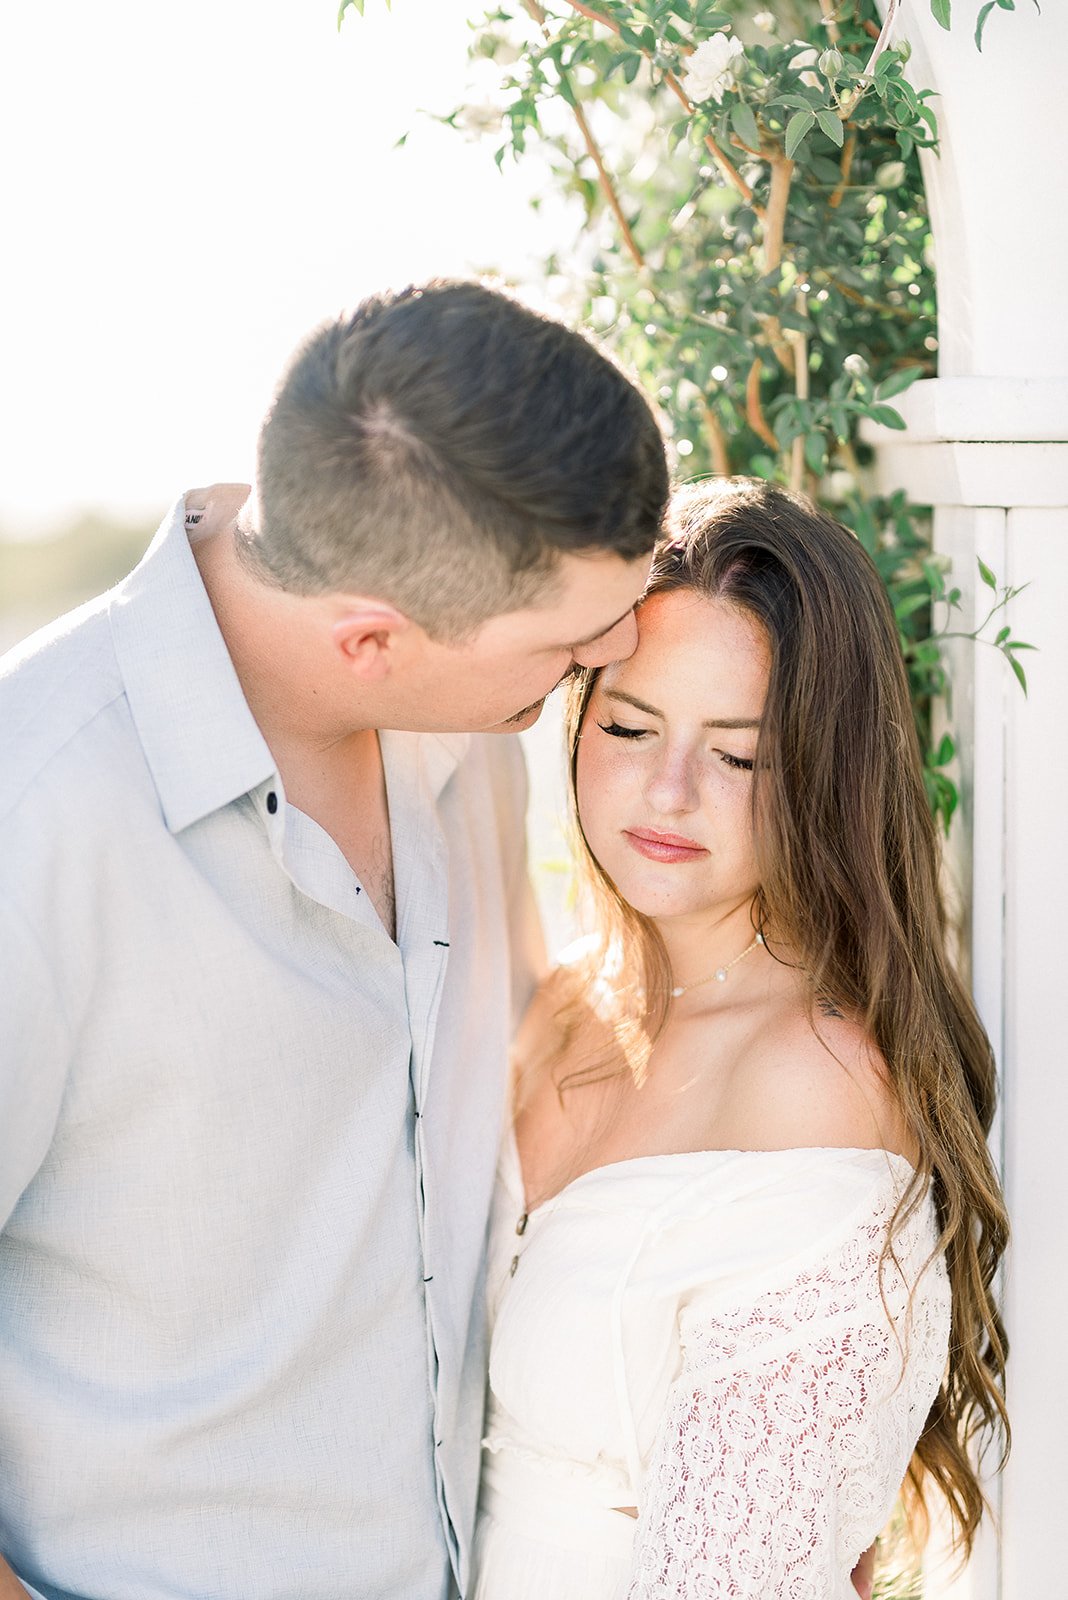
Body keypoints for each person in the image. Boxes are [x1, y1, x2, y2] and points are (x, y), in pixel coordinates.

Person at [0, 280, 669, 1600]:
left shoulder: (472, 741)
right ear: (373, 639)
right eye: (571, 635)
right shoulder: (36, 809)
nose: (621, 646)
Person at [472, 478, 1009, 1599]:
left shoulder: (816, 1087)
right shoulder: (565, 1000)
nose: (667, 792)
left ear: (823, 775)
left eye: (740, 754)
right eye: (628, 726)